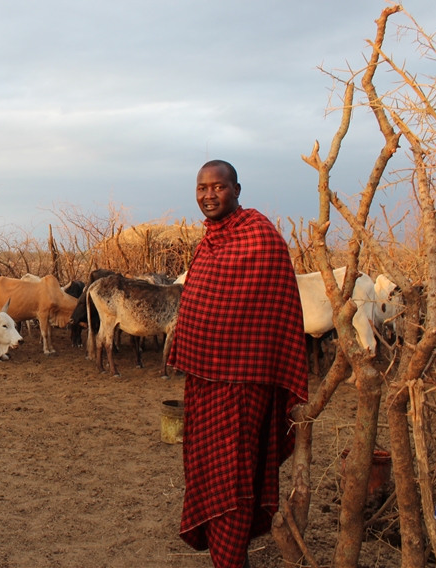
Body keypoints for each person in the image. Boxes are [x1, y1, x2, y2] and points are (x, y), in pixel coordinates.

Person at [168, 160, 308, 568]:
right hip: (204, 382)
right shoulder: (208, 243)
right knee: (210, 473)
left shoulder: (259, 238)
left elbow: (275, 310)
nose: (209, 195)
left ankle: (232, 560)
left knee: (234, 477)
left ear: (237, 189)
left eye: (219, 187)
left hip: (244, 382)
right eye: (201, 188)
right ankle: (228, 557)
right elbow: (201, 309)